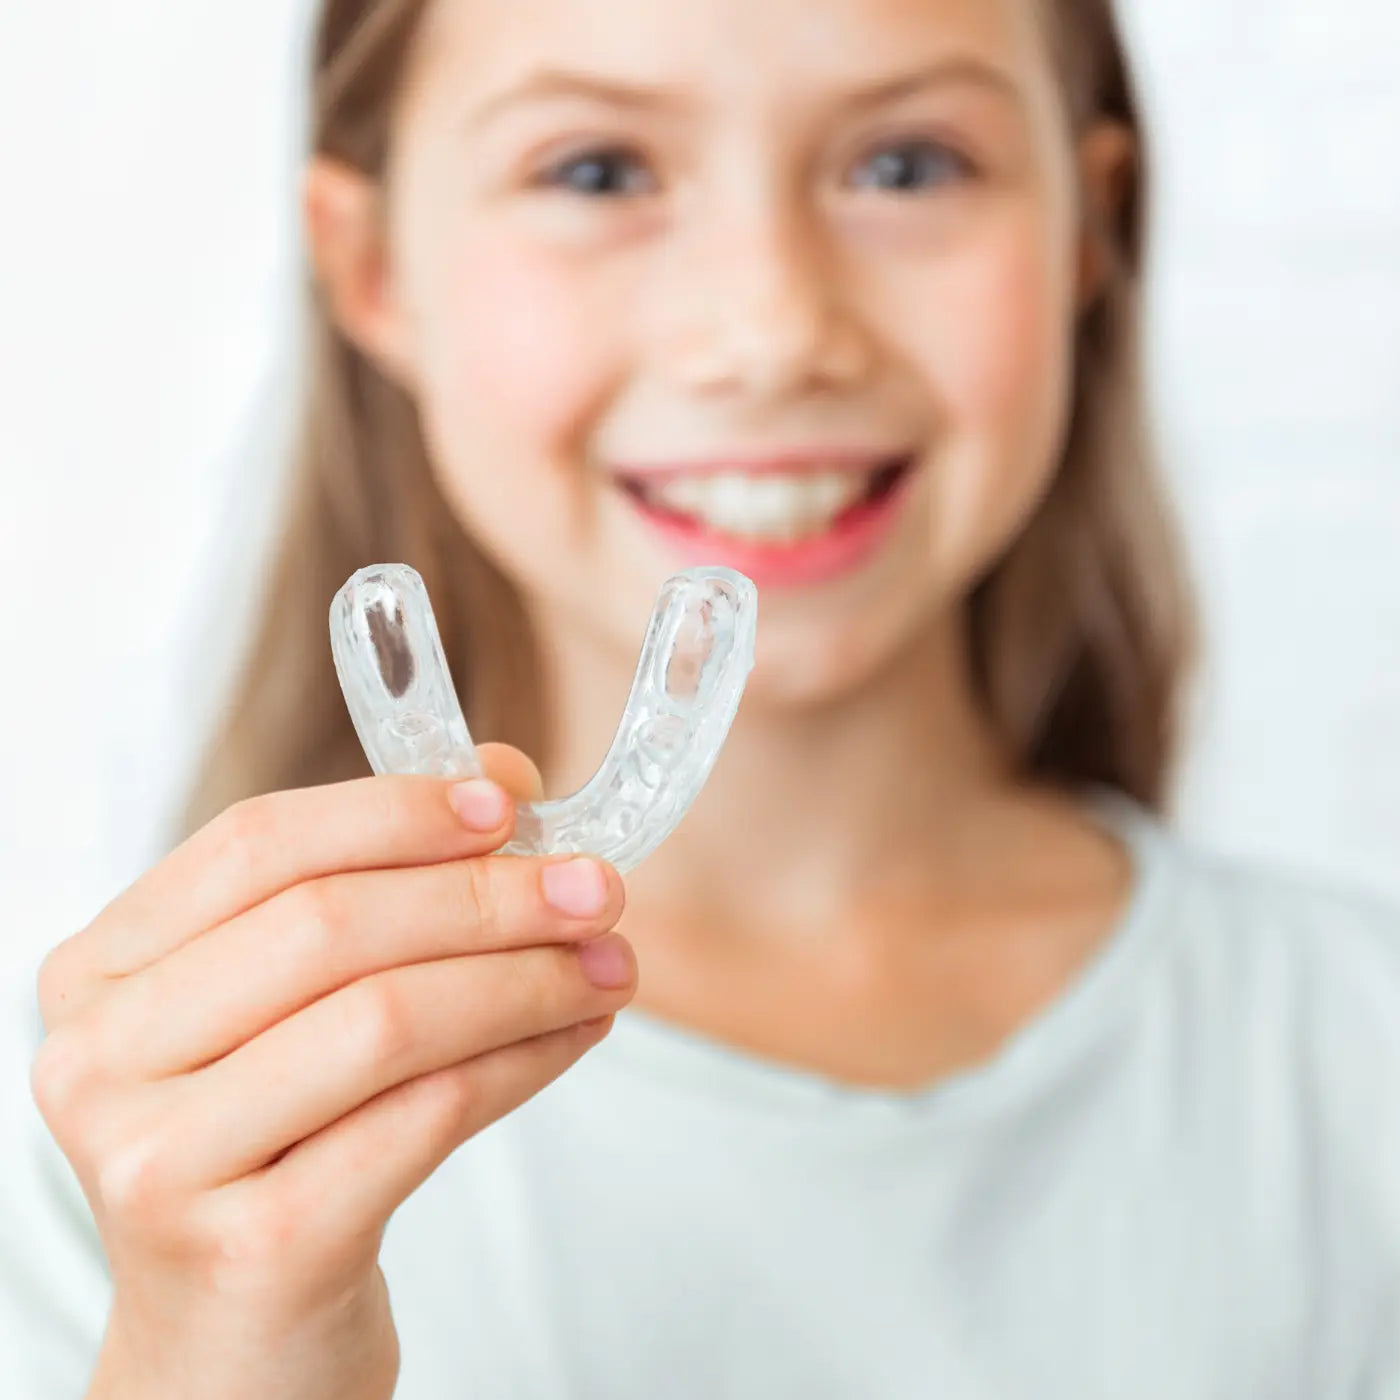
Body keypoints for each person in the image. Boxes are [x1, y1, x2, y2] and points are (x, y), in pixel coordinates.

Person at [5, 0, 1399, 1395]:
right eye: (597, 171)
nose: (771, 330)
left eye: (906, 165)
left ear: (1089, 229)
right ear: (371, 270)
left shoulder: (1358, 1062)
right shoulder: (140, 1137)